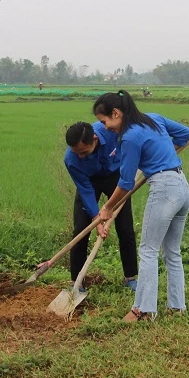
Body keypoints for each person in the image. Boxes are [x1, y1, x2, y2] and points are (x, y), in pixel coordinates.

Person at [92, 89, 189, 322]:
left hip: (164, 190)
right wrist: (163, 156)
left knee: (148, 250)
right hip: (181, 185)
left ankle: (144, 310)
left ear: (116, 113)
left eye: (104, 121)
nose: (105, 127)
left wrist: (107, 208)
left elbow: (126, 183)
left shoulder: (129, 137)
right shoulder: (153, 118)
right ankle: (177, 307)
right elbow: (185, 134)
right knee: (172, 252)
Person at [64, 122, 138, 291]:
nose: (80, 156)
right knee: (81, 230)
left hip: (115, 178)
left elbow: (132, 146)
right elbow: (85, 188)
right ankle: (77, 282)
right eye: (77, 153)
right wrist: (96, 217)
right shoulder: (71, 159)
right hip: (89, 182)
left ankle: (130, 277)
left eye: (83, 152)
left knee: (125, 228)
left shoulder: (112, 131)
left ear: (95, 139)